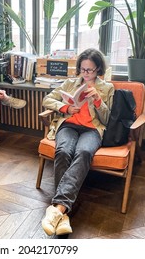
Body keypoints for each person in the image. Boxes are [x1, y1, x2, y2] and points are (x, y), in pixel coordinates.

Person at [41, 48, 114, 236]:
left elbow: (107, 120)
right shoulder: (70, 83)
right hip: (69, 126)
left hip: (92, 129)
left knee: (84, 152)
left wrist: (98, 100)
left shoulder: (107, 88)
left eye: (90, 70)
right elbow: (47, 99)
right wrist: (65, 107)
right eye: (83, 69)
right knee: (64, 151)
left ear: (98, 69)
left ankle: (57, 210)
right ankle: (62, 213)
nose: (86, 73)